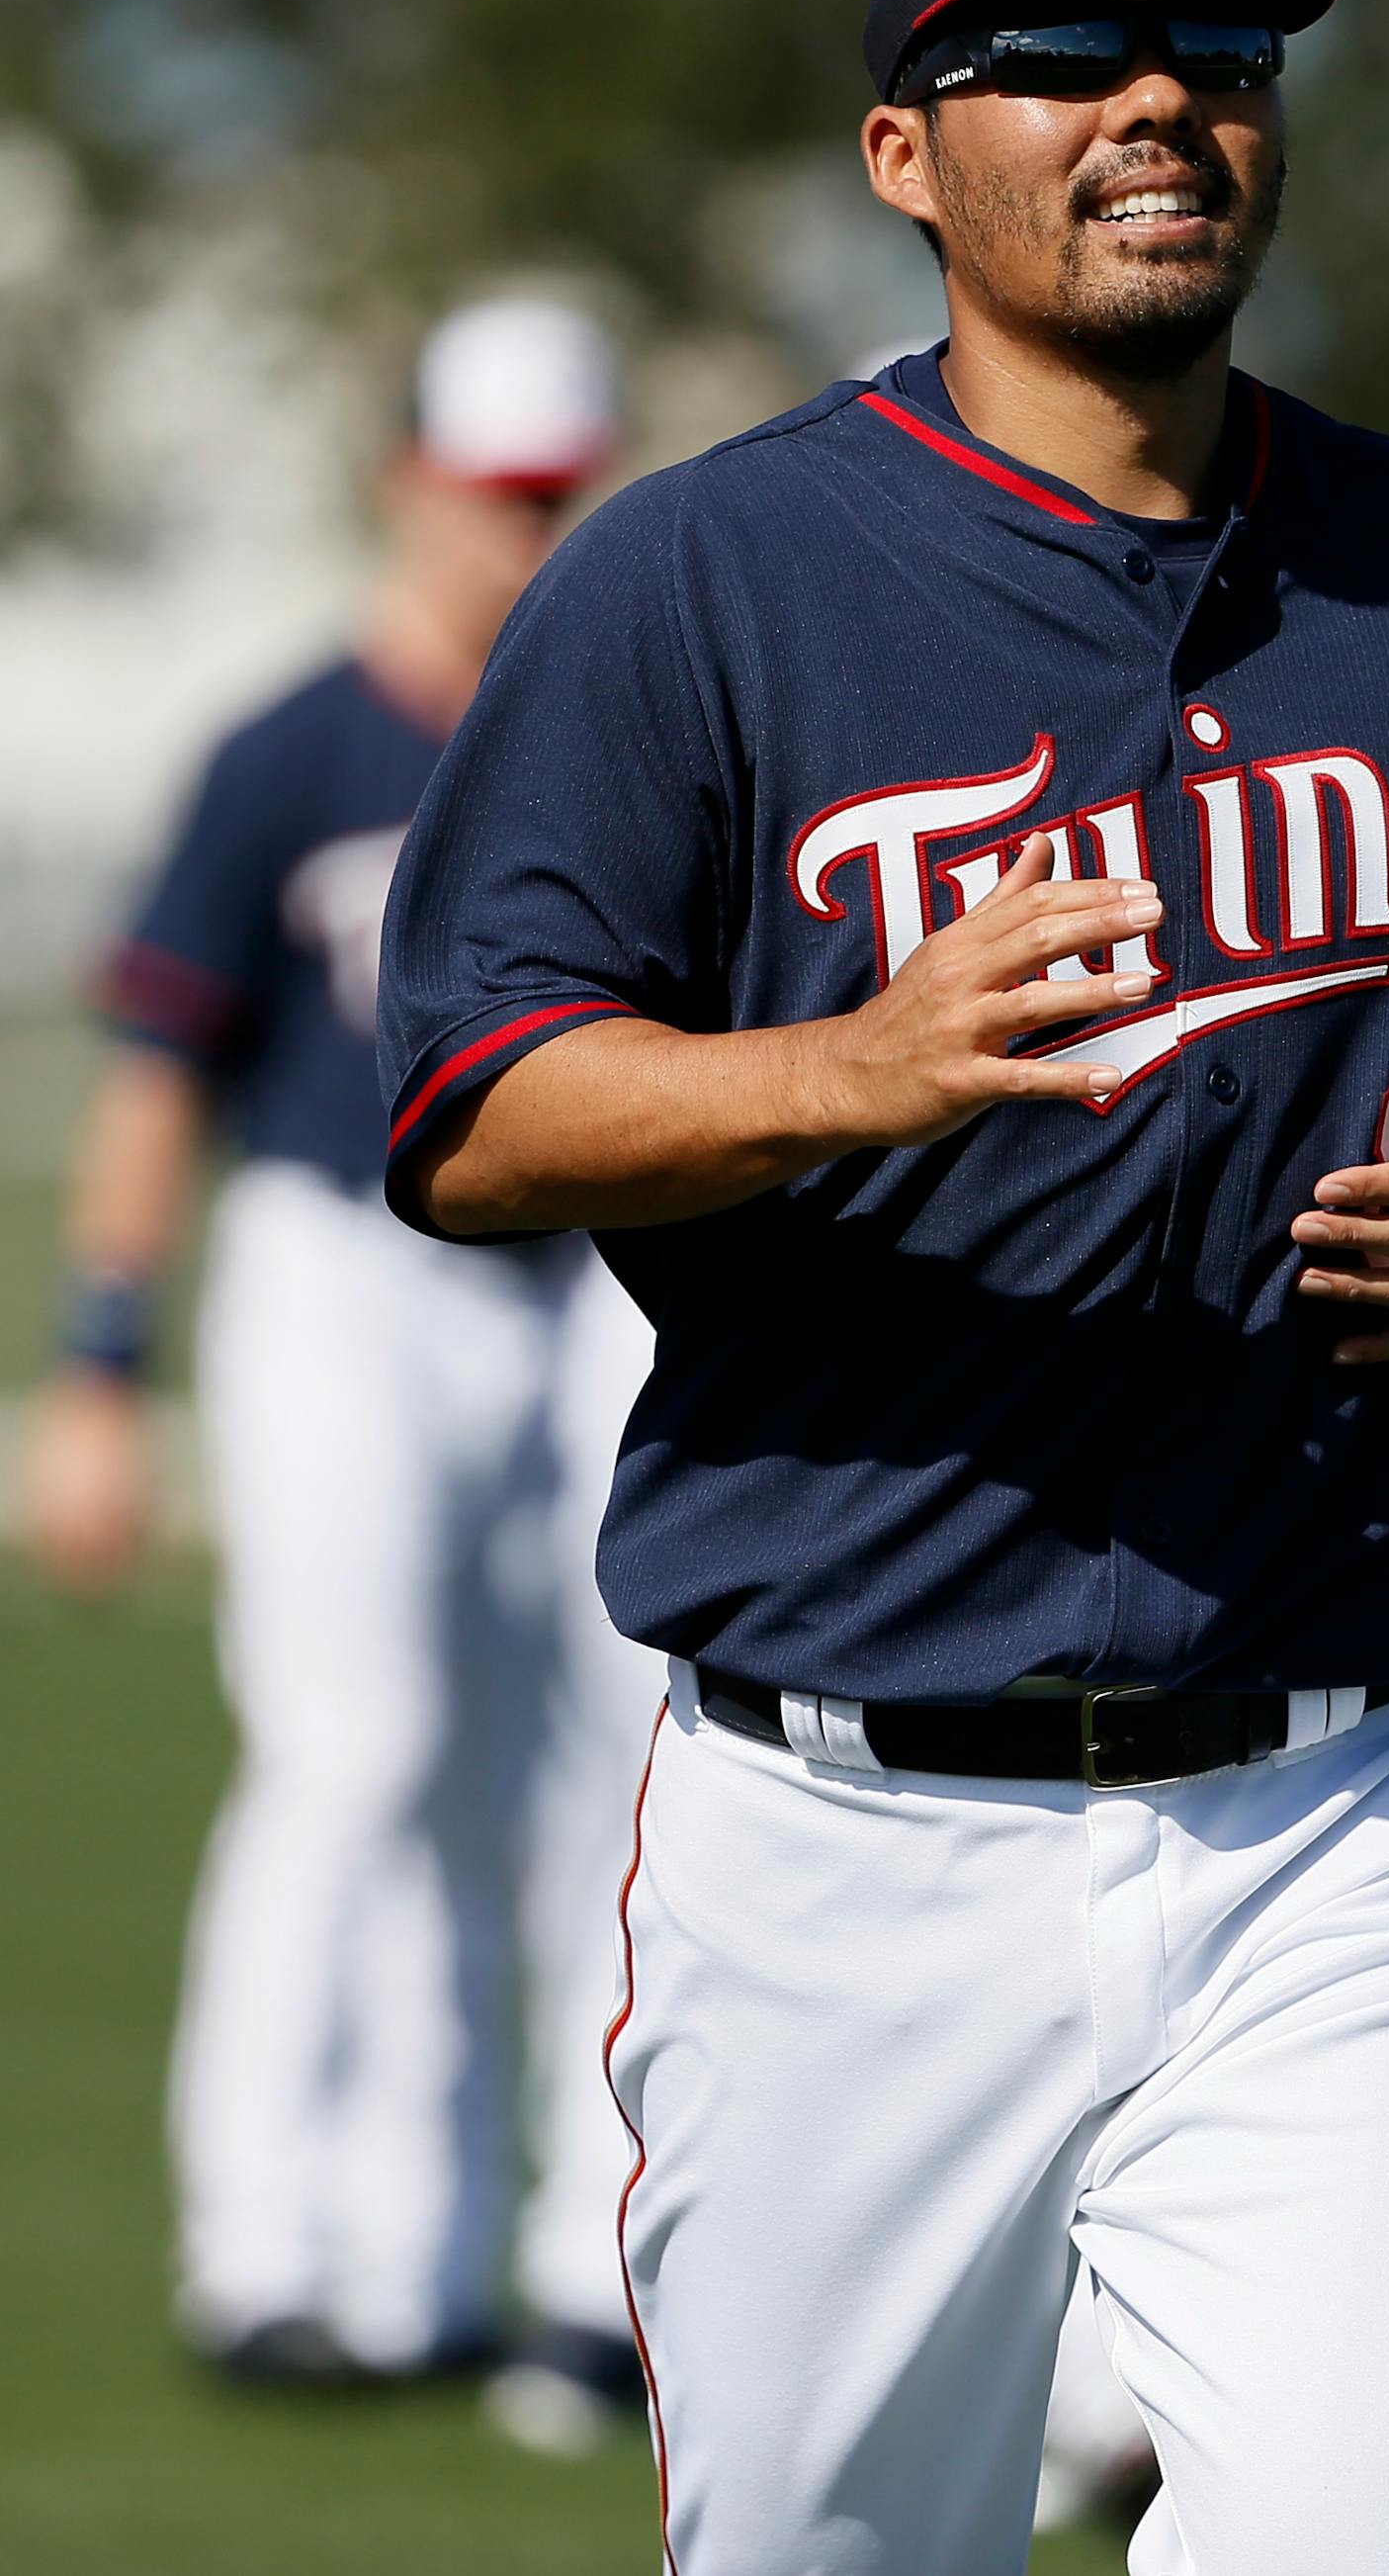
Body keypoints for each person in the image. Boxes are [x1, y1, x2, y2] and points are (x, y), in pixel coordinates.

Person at [375, 0, 1389, 2576]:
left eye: (1221, 42)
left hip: (1350, 1773)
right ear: (906, 152)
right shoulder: (701, 581)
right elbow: (474, 1113)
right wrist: (848, 1068)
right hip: (847, 1811)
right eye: (1063, 48)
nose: (1162, 102)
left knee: (1367, 2532)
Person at [25, 300, 661, 2416]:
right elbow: (150, 1073)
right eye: (503, 490)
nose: (534, 525)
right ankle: (273, 2244)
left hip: (584, 1282)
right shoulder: (295, 743)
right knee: (357, 1745)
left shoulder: (633, 724)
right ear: (407, 480)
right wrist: (100, 1367)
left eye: (566, 486)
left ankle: (540, 2255)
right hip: (337, 1261)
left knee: (592, 1762)